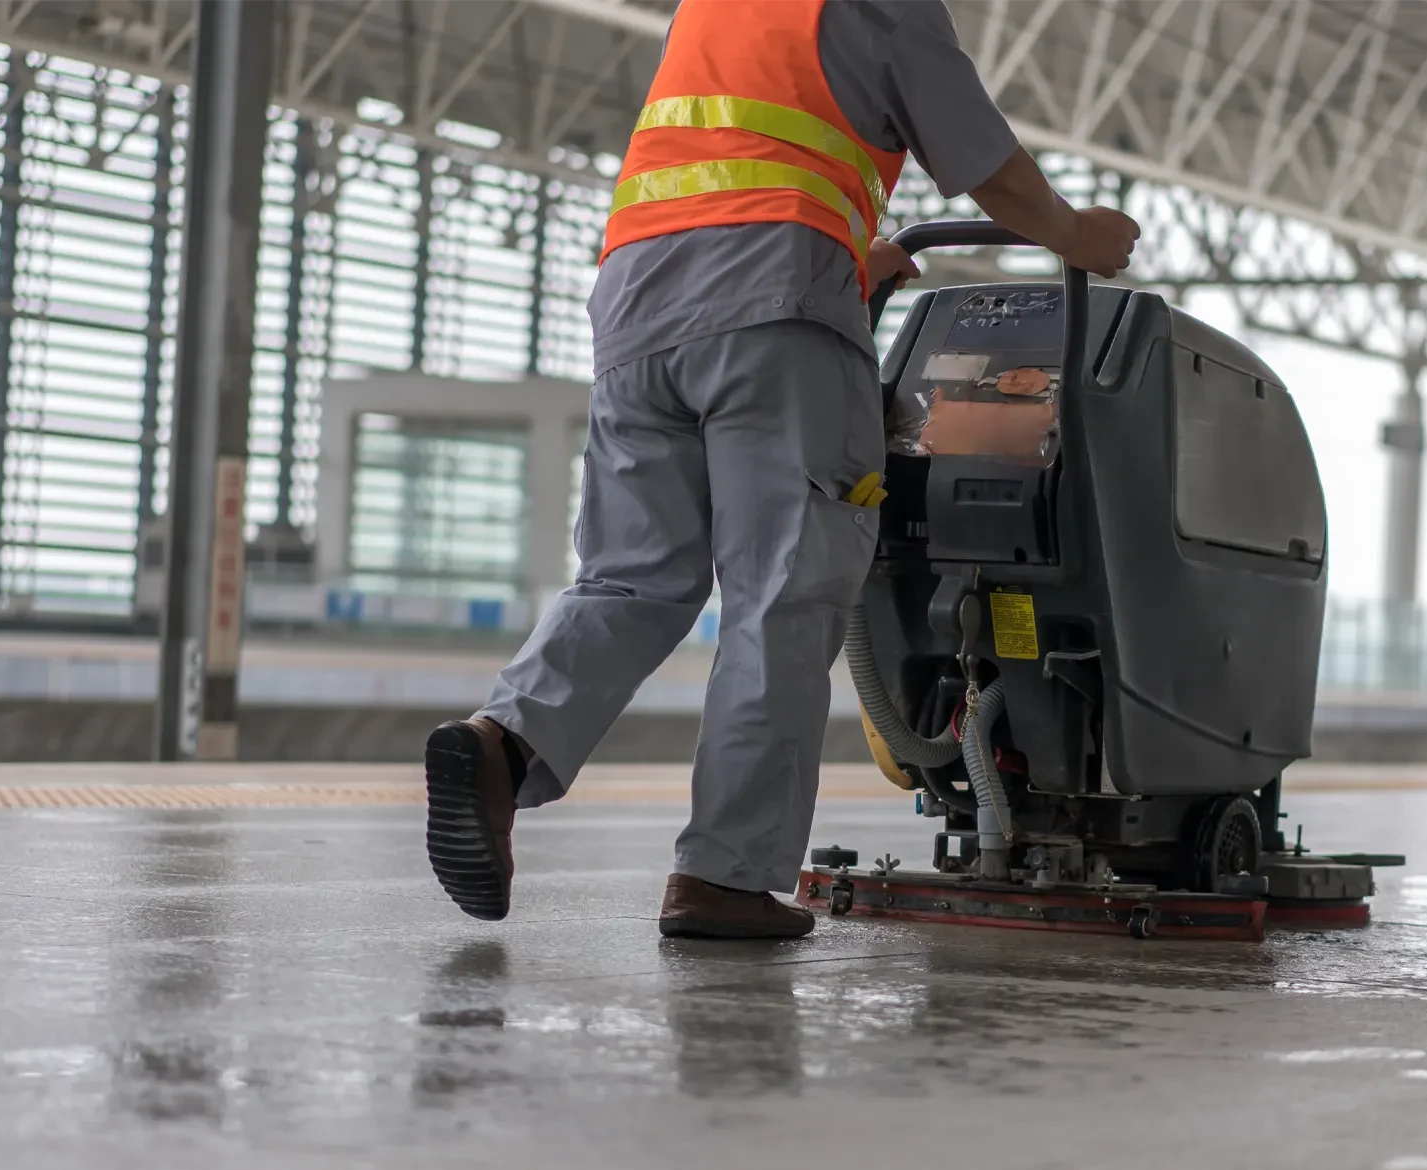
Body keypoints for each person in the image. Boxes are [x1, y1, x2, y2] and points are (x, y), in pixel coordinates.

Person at [423, 0, 1139, 938]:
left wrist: (849, 252)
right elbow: (986, 164)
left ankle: (502, 745)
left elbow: (738, 168)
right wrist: (1071, 235)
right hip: (776, 313)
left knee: (632, 576)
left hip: (638, 306)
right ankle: (723, 876)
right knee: (781, 595)